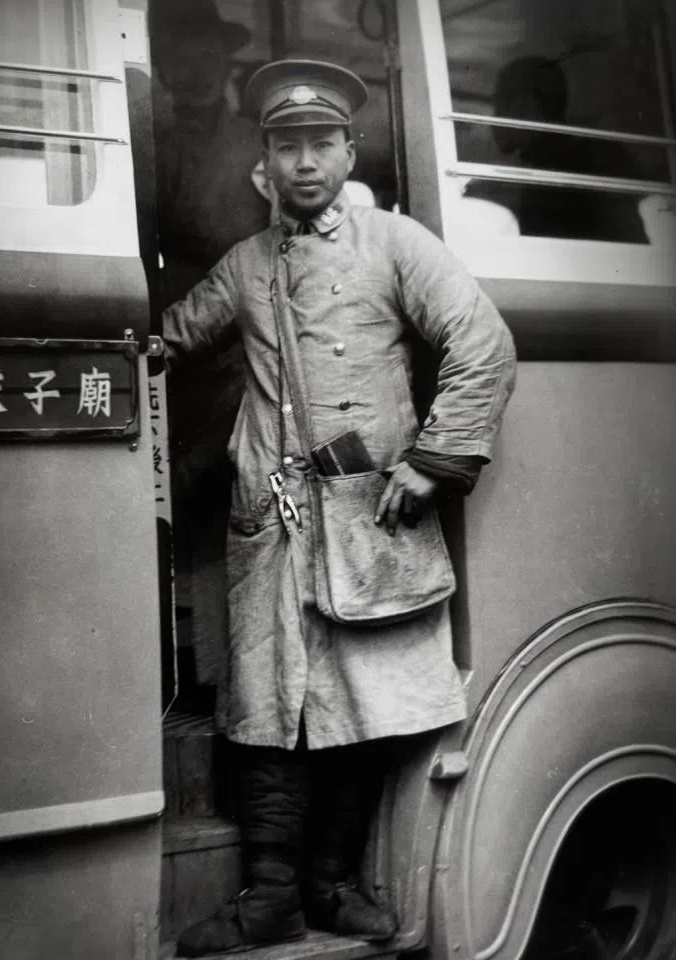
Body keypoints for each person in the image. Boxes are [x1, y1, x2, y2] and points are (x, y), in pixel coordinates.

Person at [162, 59, 517, 957]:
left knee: (364, 707)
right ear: (264, 165)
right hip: (273, 525)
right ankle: (271, 895)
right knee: (266, 710)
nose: (305, 162)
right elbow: (167, 336)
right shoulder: (244, 265)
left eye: (322, 143)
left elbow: (483, 340)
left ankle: (331, 885)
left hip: (369, 521)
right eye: (287, 147)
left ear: (349, 150)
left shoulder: (396, 244)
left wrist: (433, 462)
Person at [149, 0, 269, 688]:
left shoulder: (257, 144)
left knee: (241, 517)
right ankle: (200, 683)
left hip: (245, 354)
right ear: (161, 66)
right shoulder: (152, 143)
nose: (191, 68)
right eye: (178, 55)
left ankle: (236, 690)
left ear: (224, 62)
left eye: (204, 53)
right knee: (188, 520)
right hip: (177, 345)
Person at [466, 56, 648, 243]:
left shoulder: (577, 165)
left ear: (527, 107)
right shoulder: (543, 165)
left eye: (500, 105)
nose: (494, 119)